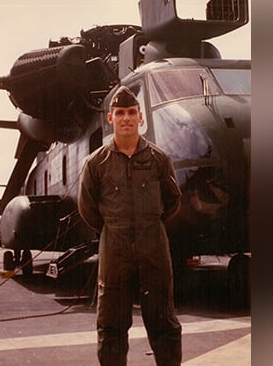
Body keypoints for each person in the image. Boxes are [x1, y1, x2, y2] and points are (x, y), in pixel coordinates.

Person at [78, 86, 183, 366]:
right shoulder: (96, 164)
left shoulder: (159, 160)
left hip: (154, 253)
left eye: (132, 113)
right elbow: (87, 208)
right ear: (110, 118)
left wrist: (150, 225)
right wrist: (115, 229)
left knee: (164, 325)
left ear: (140, 118)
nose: (126, 118)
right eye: (120, 113)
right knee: (111, 327)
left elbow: (173, 201)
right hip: (115, 254)